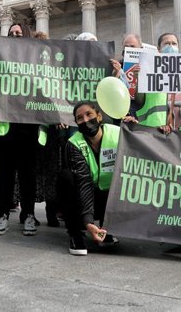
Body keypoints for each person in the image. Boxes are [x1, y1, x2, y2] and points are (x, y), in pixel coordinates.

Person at [0, 22, 41, 236]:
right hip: (4, 126)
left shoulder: (36, 60)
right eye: (11, 33)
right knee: (5, 174)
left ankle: (28, 215)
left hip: (29, 125)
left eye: (19, 33)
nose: (15, 35)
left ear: (27, 36)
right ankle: (3, 216)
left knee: (28, 174)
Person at [57, 101, 132, 255]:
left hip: (111, 199)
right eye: (79, 118)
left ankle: (108, 229)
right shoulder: (73, 144)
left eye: (89, 115)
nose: (85, 120)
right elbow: (83, 182)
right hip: (86, 200)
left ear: (99, 116)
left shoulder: (118, 134)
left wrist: (138, 130)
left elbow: (142, 152)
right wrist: (88, 222)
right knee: (66, 178)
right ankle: (75, 234)